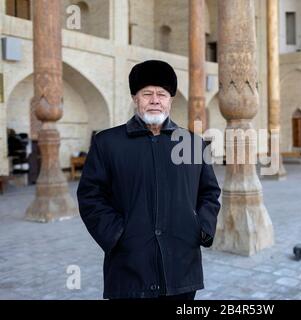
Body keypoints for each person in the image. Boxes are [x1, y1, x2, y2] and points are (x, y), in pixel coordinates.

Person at [77, 60, 221, 300]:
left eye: (162, 94)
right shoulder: (107, 143)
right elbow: (90, 196)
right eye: (147, 94)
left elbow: (209, 193)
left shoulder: (194, 144)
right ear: (136, 98)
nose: (155, 100)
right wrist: (117, 235)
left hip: (181, 267)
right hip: (129, 268)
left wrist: (202, 227)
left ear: (170, 100)